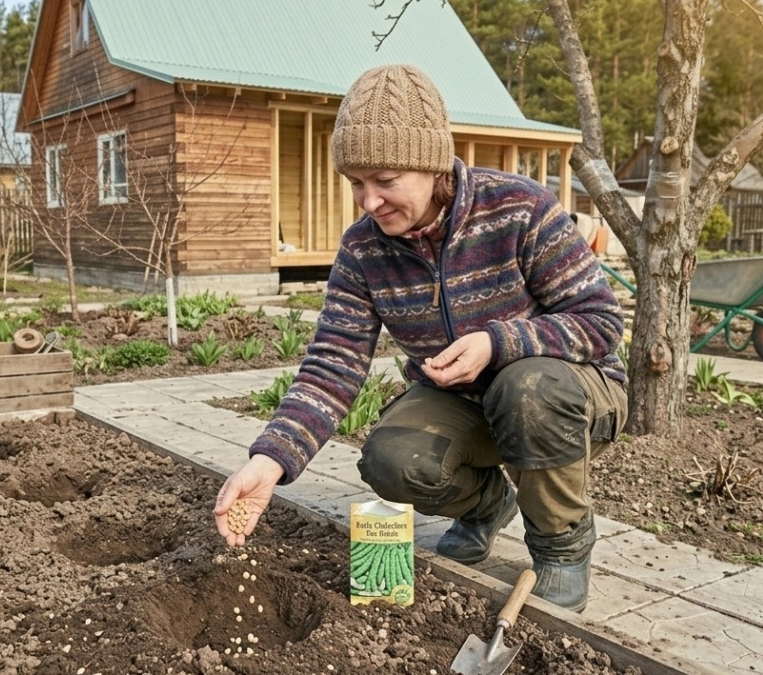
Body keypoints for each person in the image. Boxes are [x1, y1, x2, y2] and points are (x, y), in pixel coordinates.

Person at [211, 64, 628, 613]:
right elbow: (332, 366)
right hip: (466, 403)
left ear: (432, 165)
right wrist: (270, 460)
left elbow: (600, 321)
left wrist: (497, 343)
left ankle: (561, 544)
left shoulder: (519, 208)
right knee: (392, 457)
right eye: (356, 183)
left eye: (385, 181)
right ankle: (485, 505)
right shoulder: (364, 251)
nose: (368, 201)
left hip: (569, 396)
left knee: (527, 389)